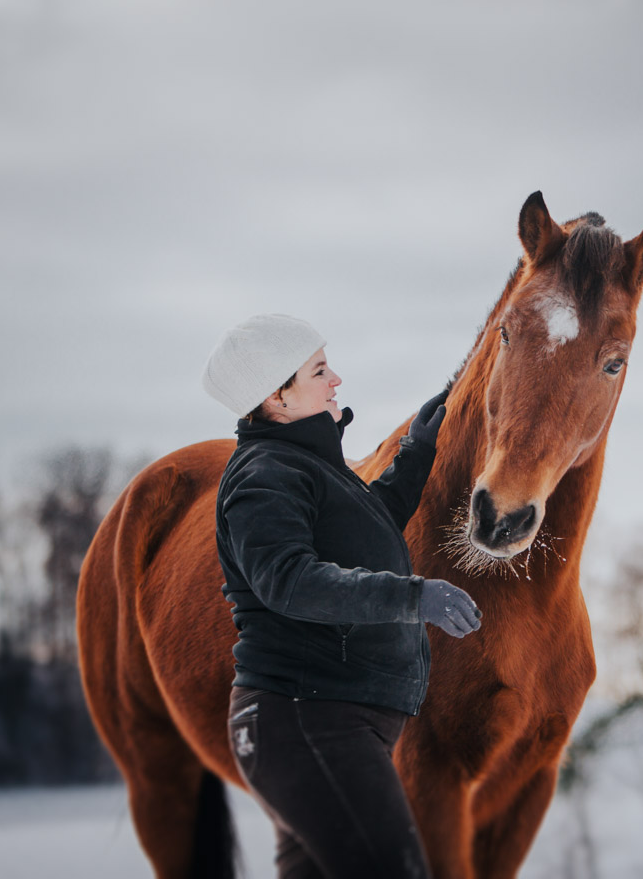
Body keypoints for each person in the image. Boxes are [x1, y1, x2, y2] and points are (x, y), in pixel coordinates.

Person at [202, 312, 481, 879]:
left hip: (324, 721)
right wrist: (414, 596)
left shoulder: (306, 465)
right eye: (319, 370)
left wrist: (418, 452)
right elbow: (290, 581)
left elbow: (367, 532)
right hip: (303, 718)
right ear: (277, 398)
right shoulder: (264, 474)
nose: (336, 380)